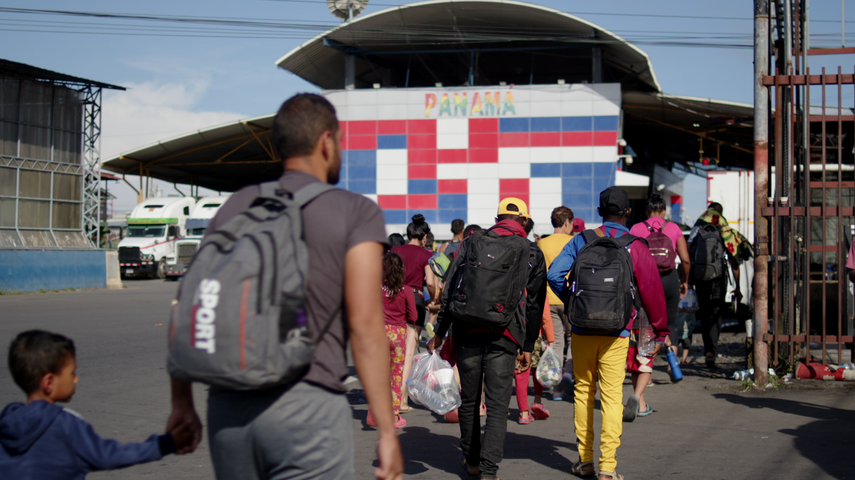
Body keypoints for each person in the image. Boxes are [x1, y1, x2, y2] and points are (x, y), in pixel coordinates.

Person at [165, 94, 403, 480]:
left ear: (279, 146)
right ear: (327, 142)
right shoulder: (356, 212)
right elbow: (364, 327)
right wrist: (388, 430)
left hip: (228, 408)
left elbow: (188, 300)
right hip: (306, 407)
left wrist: (181, 402)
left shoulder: (239, 204)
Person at [547, 187, 668, 480]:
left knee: (584, 392)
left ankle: (585, 461)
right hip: (618, 331)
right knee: (612, 397)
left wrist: (575, 301)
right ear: (628, 213)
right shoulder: (635, 245)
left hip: (582, 328)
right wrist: (660, 330)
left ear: (599, 212)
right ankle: (608, 468)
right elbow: (652, 292)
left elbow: (554, 274)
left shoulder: (582, 240)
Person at [428, 198, 547, 480]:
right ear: (525, 222)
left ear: (497, 218)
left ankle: (471, 461)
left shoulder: (472, 241)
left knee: (470, 401)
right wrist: (528, 345)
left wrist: (440, 332)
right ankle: (489, 471)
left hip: (467, 329)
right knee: (496, 405)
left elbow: (450, 287)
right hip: (505, 334)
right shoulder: (530, 250)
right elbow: (534, 305)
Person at [0, 330, 193, 479]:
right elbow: (108, 456)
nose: (76, 379)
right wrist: (166, 444)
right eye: (71, 373)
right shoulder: (65, 424)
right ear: (49, 382)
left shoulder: (7, 422)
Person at [628, 194, 690, 414]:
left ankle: (648, 374)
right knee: (670, 323)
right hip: (669, 280)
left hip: (645, 280)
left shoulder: (636, 229)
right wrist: (685, 281)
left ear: (647, 211)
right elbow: (685, 259)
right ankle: (673, 366)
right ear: (663, 211)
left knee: (645, 325)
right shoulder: (673, 228)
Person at [688, 202, 750, 369]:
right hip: (718, 277)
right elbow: (734, 259)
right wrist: (737, 286)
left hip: (700, 276)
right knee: (716, 313)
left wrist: (687, 278)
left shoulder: (697, 227)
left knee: (705, 311)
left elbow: (687, 250)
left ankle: (707, 348)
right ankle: (711, 351)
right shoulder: (724, 229)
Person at [391, 214, 439, 413]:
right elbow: (429, 282)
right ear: (424, 236)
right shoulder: (426, 254)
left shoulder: (394, 251)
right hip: (415, 300)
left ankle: (390, 395)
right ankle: (401, 400)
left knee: (392, 349)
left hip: (393, 299)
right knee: (409, 351)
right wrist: (433, 298)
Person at [367, 252, 415, 430]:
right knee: (396, 376)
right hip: (398, 334)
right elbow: (414, 315)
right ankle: (394, 415)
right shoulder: (406, 290)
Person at [536, 206, 576, 402]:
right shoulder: (574, 241)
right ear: (567, 222)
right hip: (570, 298)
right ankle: (569, 373)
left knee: (556, 343)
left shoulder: (542, 243)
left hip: (549, 300)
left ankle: (557, 389)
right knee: (575, 341)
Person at [515, 301, 555, 424]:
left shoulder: (514, 281)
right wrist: (551, 338)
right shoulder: (538, 283)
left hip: (517, 333)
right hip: (536, 333)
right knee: (538, 369)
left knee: (521, 372)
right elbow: (545, 315)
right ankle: (537, 401)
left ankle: (524, 413)